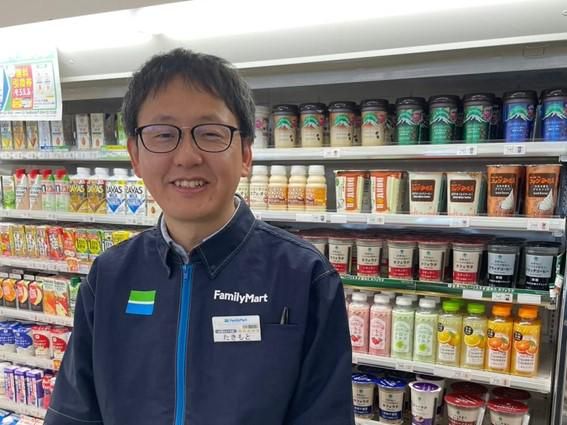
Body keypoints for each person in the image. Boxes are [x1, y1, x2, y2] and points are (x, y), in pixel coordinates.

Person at [44, 48, 354, 425]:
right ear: (135, 155)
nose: (187, 157)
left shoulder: (305, 276)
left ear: (245, 153)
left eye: (210, 133)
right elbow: (74, 414)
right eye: (163, 135)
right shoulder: (109, 276)